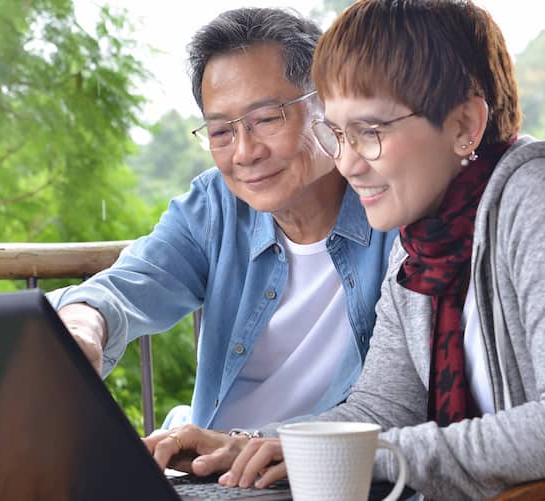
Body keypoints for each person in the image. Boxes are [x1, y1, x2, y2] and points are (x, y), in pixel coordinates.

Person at [190, 1, 545, 499]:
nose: (347, 164)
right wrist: (251, 444)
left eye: (369, 132)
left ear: (464, 126)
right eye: (338, 133)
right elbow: (382, 407)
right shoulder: (424, 241)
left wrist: (368, 453)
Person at [49, 7, 397, 477]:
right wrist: (82, 326)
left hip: (318, 474)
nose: (245, 152)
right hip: (210, 472)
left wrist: (258, 443)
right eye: (220, 131)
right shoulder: (215, 205)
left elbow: (399, 410)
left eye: (267, 119)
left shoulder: (395, 207)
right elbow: (130, 284)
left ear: (328, 104)